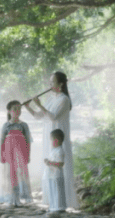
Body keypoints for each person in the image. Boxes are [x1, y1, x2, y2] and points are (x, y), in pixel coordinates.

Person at [24, 71, 77, 209]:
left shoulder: (64, 99)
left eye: (52, 82)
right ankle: (51, 200)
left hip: (58, 134)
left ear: (61, 84)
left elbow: (53, 117)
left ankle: (63, 202)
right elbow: (37, 116)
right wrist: (28, 106)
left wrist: (40, 104)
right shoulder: (51, 98)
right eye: (50, 82)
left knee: (59, 163)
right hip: (49, 135)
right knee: (49, 164)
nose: (50, 84)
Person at [0, 100, 32, 206]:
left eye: (19, 109)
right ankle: (11, 198)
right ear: (9, 111)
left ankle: (19, 197)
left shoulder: (24, 125)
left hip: (21, 153)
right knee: (10, 174)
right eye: (15, 109)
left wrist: (28, 154)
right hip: (9, 153)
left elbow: (28, 140)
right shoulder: (6, 125)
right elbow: (2, 141)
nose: (18, 111)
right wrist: (1, 154)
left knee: (20, 174)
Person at [43, 129, 67, 212]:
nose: (51, 142)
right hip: (51, 174)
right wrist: (47, 161)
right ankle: (53, 206)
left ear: (57, 140)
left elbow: (61, 164)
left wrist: (50, 163)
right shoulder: (54, 150)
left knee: (58, 190)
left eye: (51, 140)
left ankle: (59, 207)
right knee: (52, 189)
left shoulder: (60, 150)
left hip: (57, 174)